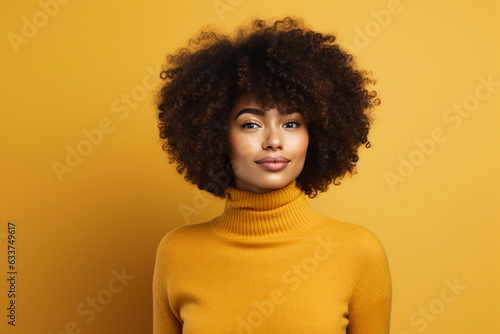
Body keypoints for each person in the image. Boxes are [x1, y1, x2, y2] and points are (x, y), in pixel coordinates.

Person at [153, 17, 391, 334]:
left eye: (291, 123)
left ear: (315, 133)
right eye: (251, 124)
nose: (274, 140)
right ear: (216, 135)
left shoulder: (358, 251)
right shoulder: (176, 252)